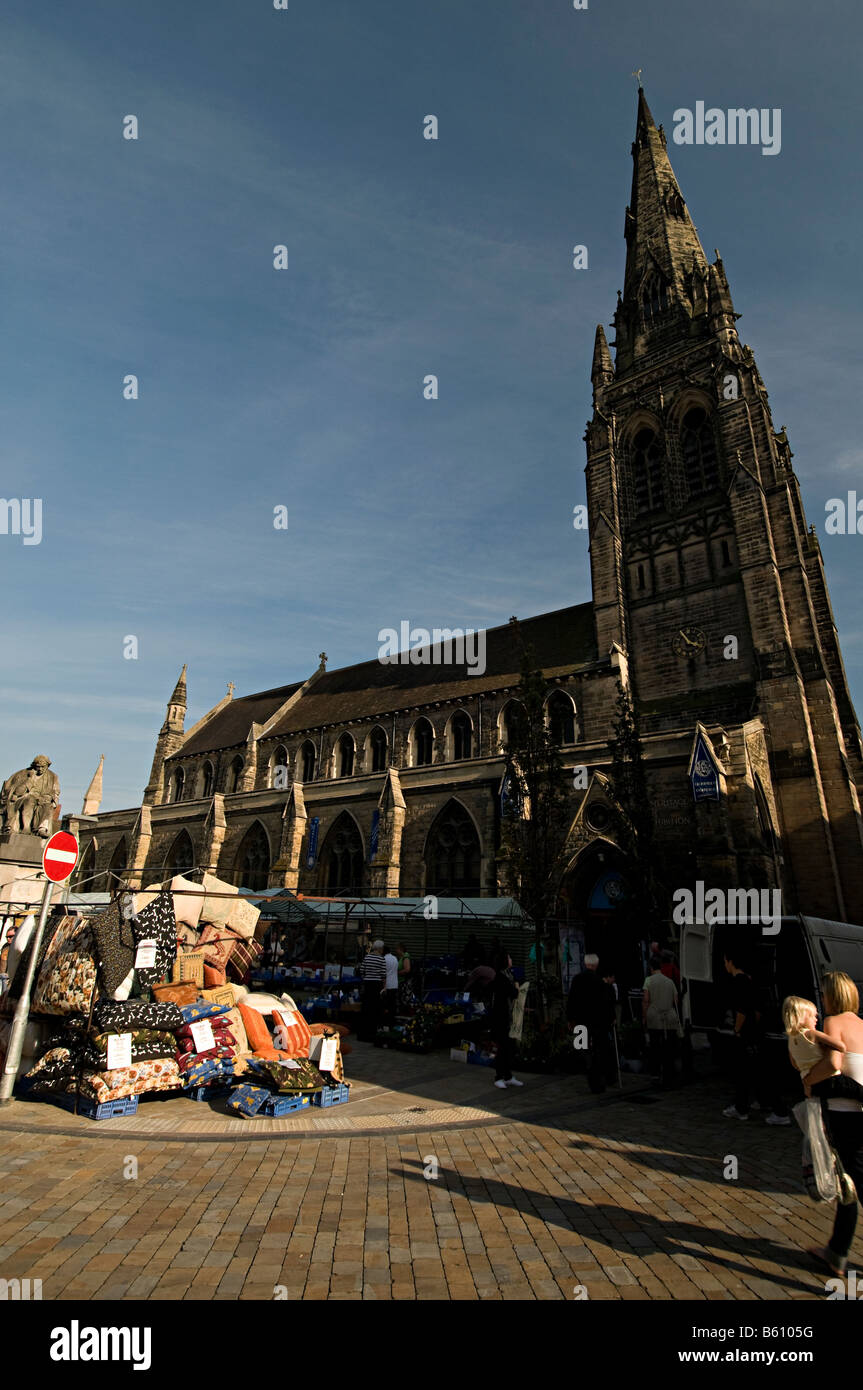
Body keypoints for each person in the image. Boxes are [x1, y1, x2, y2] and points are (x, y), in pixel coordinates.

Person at [800, 972, 863, 1278]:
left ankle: (836, 1254)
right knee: (847, 1184)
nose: (822, 999)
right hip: (859, 1109)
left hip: (846, 1115)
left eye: (824, 994)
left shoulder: (833, 1023)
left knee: (852, 1182)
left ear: (832, 996)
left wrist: (810, 1081)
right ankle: (836, 1252)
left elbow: (834, 1064)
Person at [566, 953, 616, 1093]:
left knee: (583, 1048)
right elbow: (606, 1003)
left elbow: (571, 1000)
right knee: (599, 1049)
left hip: (581, 1021)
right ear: (596, 965)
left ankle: (590, 1075)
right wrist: (610, 1018)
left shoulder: (577, 979)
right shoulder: (600, 982)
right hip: (597, 1022)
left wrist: (570, 1019)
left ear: (585, 963)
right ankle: (600, 1079)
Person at [721, 948, 760, 1120]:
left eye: (725, 962)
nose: (725, 965)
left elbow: (741, 1010)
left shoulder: (738, 981)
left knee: (741, 1071)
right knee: (752, 1069)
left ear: (730, 962)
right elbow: (757, 1011)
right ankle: (758, 1101)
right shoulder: (750, 980)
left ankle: (741, 1107)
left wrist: (737, 1030)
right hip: (752, 1031)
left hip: (743, 1033)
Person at [642, 955, 680, 1089]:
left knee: (655, 1046)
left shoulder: (648, 980)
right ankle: (669, 1074)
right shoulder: (669, 981)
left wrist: (644, 1016)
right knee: (669, 1047)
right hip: (669, 1017)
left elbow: (646, 1000)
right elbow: (675, 1000)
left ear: (651, 968)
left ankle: (656, 1074)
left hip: (655, 1017)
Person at [489, 950, 522, 1090]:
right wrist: (516, 988)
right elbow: (513, 993)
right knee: (502, 1048)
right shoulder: (500, 978)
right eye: (509, 957)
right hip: (501, 1018)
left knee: (509, 1047)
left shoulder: (508, 975)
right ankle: (499, 1077)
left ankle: (508, 1076)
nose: (511, 959)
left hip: (508, 1018)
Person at [358, 938, 387, 1040]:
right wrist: (384, 988)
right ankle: (371, 1034)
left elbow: (362, 971)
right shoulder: (381, 959)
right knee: (374, 1009)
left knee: (365, 1007)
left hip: (367, 984)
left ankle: (362, 1034)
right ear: (380, 948)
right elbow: (383, 975)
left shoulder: (367, 957)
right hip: (376, 985)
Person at [382, 944, 399, 1025]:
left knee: (386, 1005)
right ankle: (392, 1022)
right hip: (395, 984)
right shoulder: (395, 958)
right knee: (393, 1004)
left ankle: (386, 1023)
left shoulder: (384, 959)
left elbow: (383, 973)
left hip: (387, 985)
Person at [395, 942, 416, 1007]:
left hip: (405, 982)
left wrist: (396, 973)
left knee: (405, 998)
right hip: (401, 981)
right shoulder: (401, 957)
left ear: (400, 949)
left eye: (397, 949)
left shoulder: (405, 956)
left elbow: (407, 969)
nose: (396, 950)